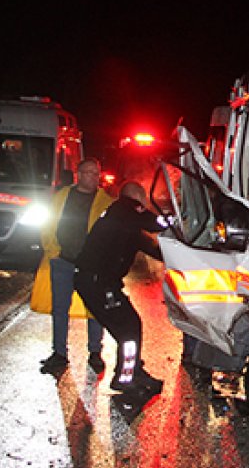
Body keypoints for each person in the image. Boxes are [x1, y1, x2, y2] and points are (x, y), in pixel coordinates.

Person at [73, 182, 167, 398]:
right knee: (129, 329)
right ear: (138, 198)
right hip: (98, 283)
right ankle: (125, 378)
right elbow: (156, 223)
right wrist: (175, 222)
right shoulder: (126, 209)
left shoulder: (123, 221)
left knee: (129, 327)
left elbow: (148, 246)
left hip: (97, 281)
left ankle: (133, 369)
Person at [31, 158, 114, 375]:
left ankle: (95, 352)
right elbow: (49, 223)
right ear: (78, 174)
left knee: (95, 309)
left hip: (92, 265)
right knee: (60, 309)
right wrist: (52, 250)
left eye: (96, 173)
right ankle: (59, 353)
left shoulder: (105, 201)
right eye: (88, 172)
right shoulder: (61, 197)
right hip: (63, 260)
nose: (93, 177)